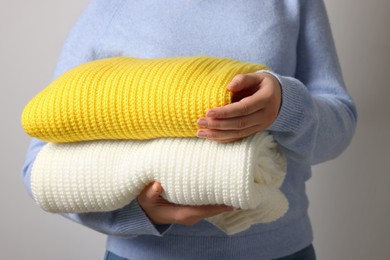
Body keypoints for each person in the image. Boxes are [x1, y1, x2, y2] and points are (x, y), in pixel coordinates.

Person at [22, 0, 357, 259]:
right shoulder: (113, 7)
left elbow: (340, 124)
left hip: (281, 252)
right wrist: (139, 213)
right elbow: (42, 168)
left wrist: (285, 107)